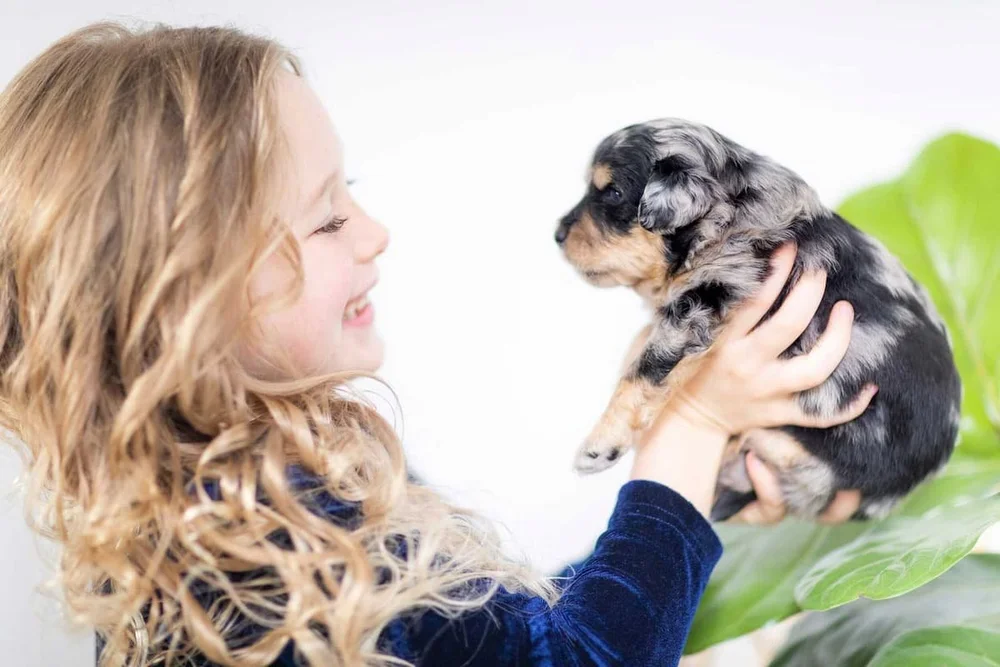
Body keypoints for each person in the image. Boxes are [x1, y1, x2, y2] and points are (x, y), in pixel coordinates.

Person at [0, 22, 874, 667]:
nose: (375, 231)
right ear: (190, 301)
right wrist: (687, 420)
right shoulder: (273, 581)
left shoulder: (269, 492)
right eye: (328, 215)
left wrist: (700, 492)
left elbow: (510, 639)